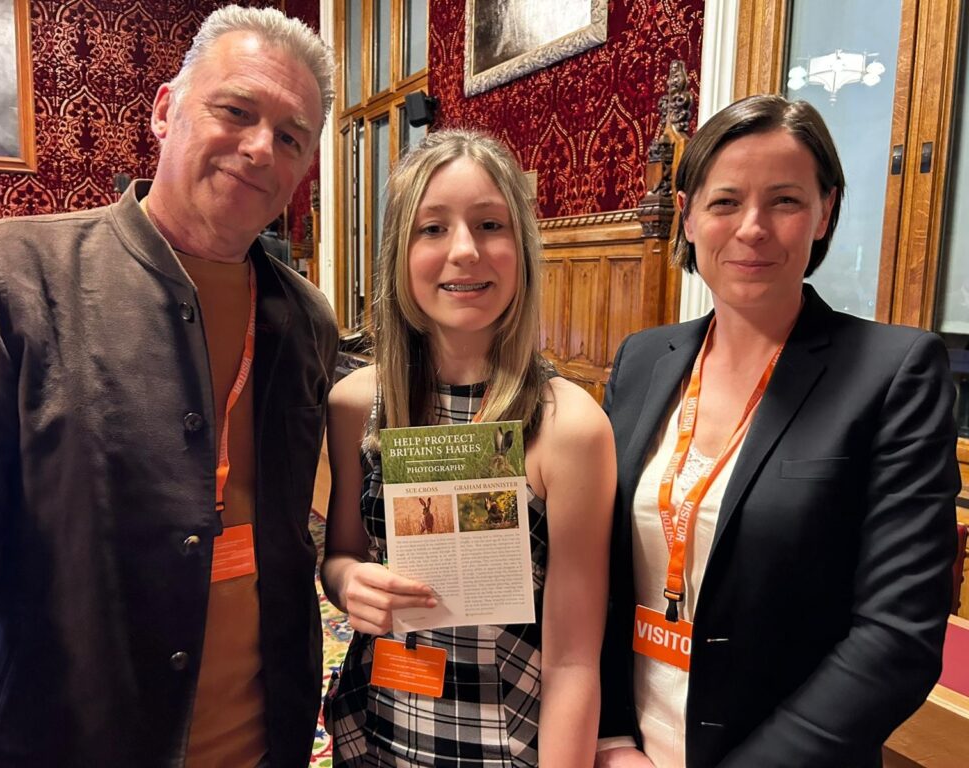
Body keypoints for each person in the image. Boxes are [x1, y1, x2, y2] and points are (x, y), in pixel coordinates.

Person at [0, 6, 337, 766]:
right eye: (236, 111)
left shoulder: (307, 322)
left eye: (291, 137)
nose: (261, 147)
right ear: (166, 109)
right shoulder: (2, 279)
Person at [596, 94, 960, 768]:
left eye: (785, 201)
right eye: (726, 201)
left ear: (825, 212)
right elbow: (601, 574)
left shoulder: (894, 373)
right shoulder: (644, 359)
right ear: (688, 216)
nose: (753, 228)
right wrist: (612, 739)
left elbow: (896, 637)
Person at [322, 129, 616, 766]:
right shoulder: (357, 406)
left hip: (505, 741)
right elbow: (340, 554)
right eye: (432, 229)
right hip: (374, 730)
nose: (464, 251)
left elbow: (573, 658)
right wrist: (349, 582)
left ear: (523, 250)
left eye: (489, 224)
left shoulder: (568, 426)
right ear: (399, 251)